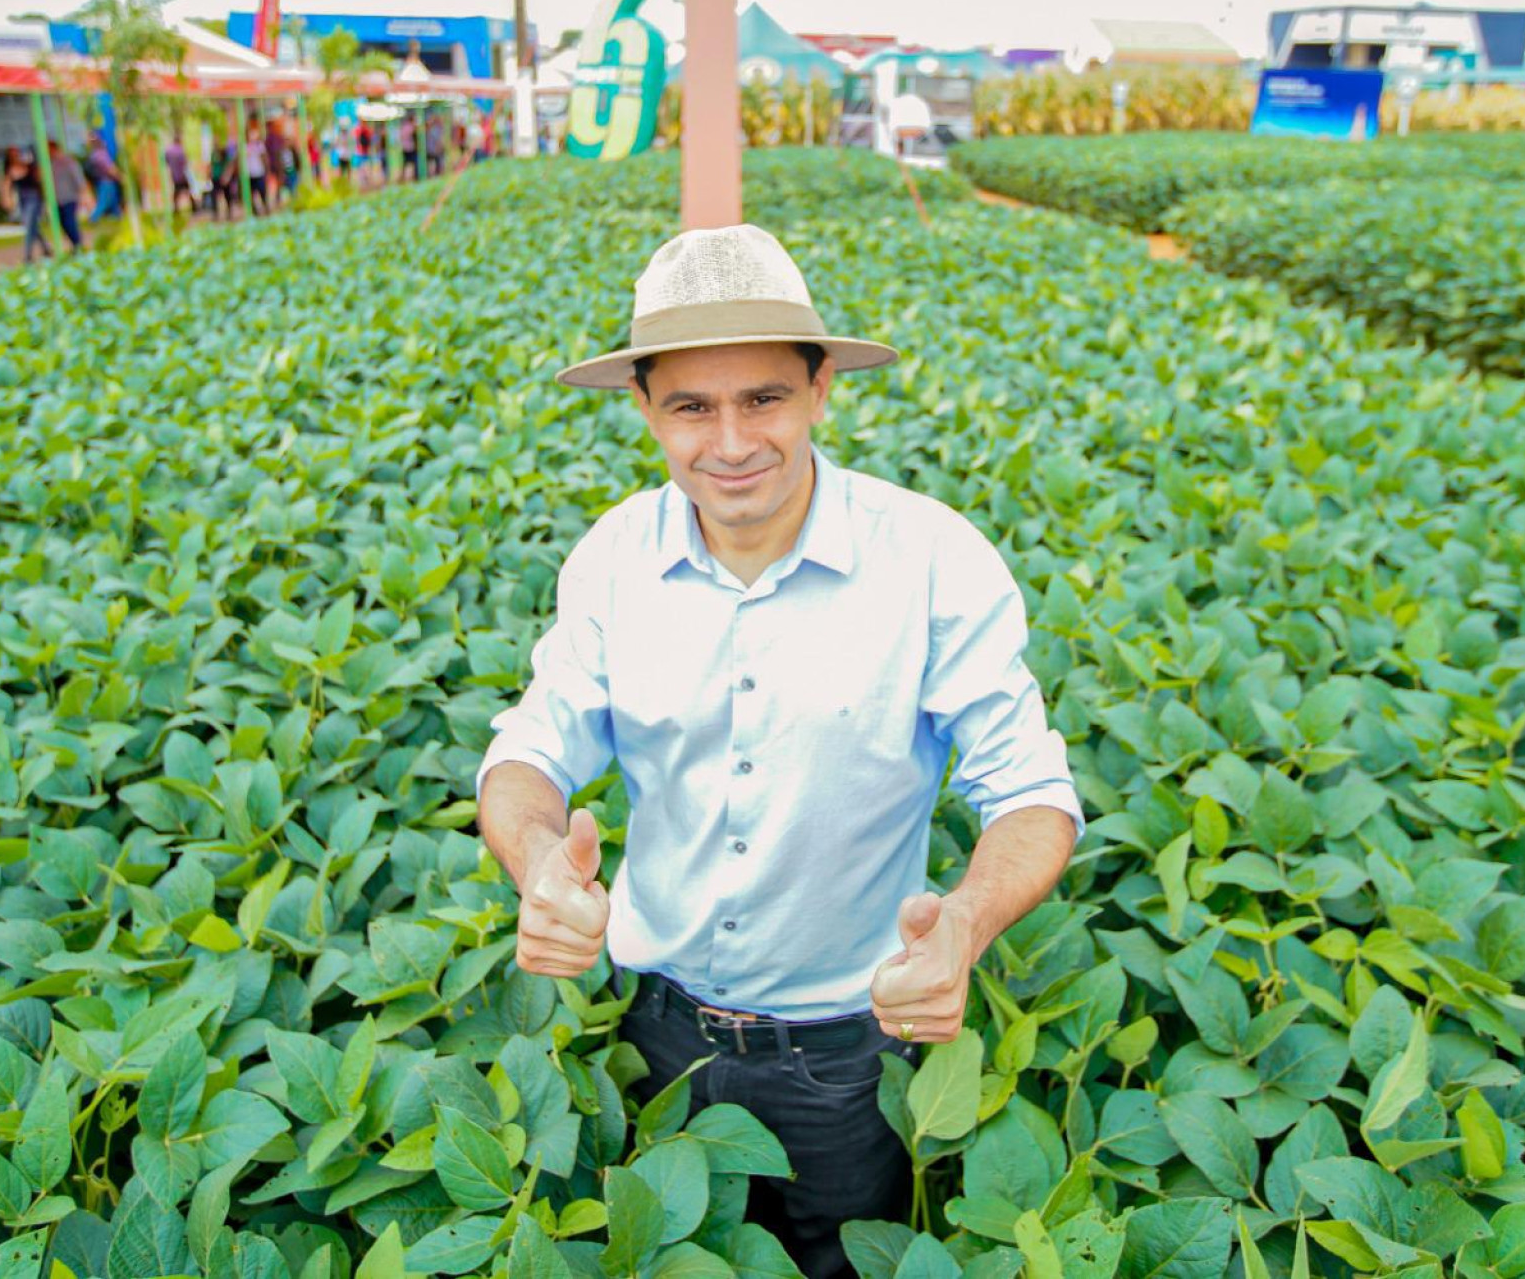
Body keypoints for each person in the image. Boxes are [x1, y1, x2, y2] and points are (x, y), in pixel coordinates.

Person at [476, 225, 1081, 1278]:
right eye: (691, 407)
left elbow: (1029, 787)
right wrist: (535, 865)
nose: (730, 440)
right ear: (646, 411)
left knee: (835, 1262)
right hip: (654, 1028)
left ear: (819, 391)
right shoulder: (615, 556)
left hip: (848, 1051)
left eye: (762, 398)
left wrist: (968, 926)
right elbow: (530, 748)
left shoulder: (931, 559)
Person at [85, 131, 123, 222]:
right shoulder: (101, 154)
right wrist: (120, 177)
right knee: (103, 202)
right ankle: (92, 219)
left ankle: (118, 217)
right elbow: (110, 168)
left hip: (101, 181)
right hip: (106, 181)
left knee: (113, 201)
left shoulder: (93, 155)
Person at [164, 133, 195, 215]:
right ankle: (194, 207)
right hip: (182, 175)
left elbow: (165, 161)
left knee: (177, 192)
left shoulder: (168, 151)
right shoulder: (181, 150)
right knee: (188, 191)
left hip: (174, 176)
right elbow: (185, 163)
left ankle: (176, 209)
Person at [243, 129, 268, 215]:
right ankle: (254, 210)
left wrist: (267, 169)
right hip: (249, 173)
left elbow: (264, 158)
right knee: (251, 193)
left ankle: (265, 206)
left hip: (259, 172)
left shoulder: (259, 145)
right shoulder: (244, 146)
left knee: (262, 191)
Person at [398, 113, 420, 182]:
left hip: (405, 148)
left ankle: (403, 177)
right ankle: (416, 177)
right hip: (410, 148)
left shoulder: (403, 126)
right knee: (415, 163)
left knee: (405, 163)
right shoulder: (411, 127)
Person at [424, 113, 445, 177]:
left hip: (431, 149)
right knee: (435, 163)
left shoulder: (434, 129)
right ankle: (435, 174)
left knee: (435, 162)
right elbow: (437, 140)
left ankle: (434, 174)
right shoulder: (434, 129)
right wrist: (438, 147)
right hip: (433, 150)